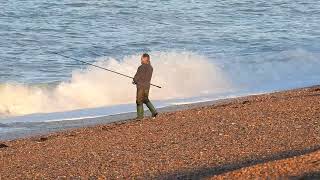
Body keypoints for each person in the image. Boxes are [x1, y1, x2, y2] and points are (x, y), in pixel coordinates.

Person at [133, 53, 158, 119]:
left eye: (141, 58)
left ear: (145, 59)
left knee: (139, 101)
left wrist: (134, 80)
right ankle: (154, 111)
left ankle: (140, 117)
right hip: (147, 86)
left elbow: (137, 77)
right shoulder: (151, 67)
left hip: (141, 86)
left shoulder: (141, 67)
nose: (140, 60)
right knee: (145, 99)